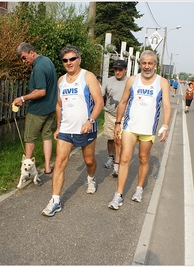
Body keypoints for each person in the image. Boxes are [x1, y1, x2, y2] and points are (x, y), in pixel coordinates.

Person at [42, 45, 104, 217]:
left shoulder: (88, 76)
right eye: (65, 60)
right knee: (60, 162)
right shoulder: (61, 81)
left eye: (72, 59)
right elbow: (59, 105)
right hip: (66, 130)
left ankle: (91, 179)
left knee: (89, 161)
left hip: (86, 129)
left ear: (79, 60)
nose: (69, 63)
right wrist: (58, 126)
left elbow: (99, 102)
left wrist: (91, 121)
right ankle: (55, 201)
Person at [108, 50, 172, 210]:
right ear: (140, 64)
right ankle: (118, 195)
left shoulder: (162, 82)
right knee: (124, 159)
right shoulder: (132, 80)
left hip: (148, 129)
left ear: (155, 65)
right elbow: (123, 102)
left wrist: (165, 125)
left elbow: (166, 106)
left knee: (143, 158)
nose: (147, 66)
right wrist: (117, 123)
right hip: (130, 127)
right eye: (144, 63)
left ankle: (139, 188)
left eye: (150, 63)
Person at [12, 42, 57, 179]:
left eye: (24, 57)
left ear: (31, 52)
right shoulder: (47, 60)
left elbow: (41, 91)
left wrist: (23, 99)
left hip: (38, 110)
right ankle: (48, 167)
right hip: (51, 108)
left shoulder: (38, 68)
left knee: (30, 138)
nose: (24, 61)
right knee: (47, 136)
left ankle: (25, 171)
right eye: (21, 59)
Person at [101, 59, 128, 177]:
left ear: (125, 70)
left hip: (123, 117)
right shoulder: (108, 81)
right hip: (110, 114)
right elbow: (101, 96)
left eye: (120, 70)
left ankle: (117, 164)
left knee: (119, 140)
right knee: (111, 138)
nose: (117, 72)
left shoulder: (130, 82)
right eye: (116, 69)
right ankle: (110, 157)